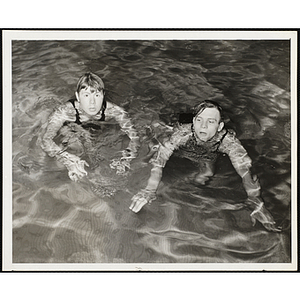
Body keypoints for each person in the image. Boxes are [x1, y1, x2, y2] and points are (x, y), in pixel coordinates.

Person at [129, 100, 280, 232]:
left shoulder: (228, 142)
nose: (203, 126)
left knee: (204, 177)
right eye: (199, 120)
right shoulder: (183, 133)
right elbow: (159, 161)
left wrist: (255, 199)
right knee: (154, 143)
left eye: (210, 122)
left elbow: (245, 171)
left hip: (208, 152)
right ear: (193, 122)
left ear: (220, 126)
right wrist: (149, 190)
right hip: (185, 144)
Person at [40, 72, 140, 181]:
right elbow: (45, 139)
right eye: (86, 95)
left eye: (97, 95)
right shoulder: (65, 111)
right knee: (63, 159)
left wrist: (126, 159)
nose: (92, 102)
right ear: (78, 96)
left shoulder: (115, 111)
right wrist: (67, 159)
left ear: (103, 95)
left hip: (100, 129)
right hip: (73, 127)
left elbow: (135, 137)